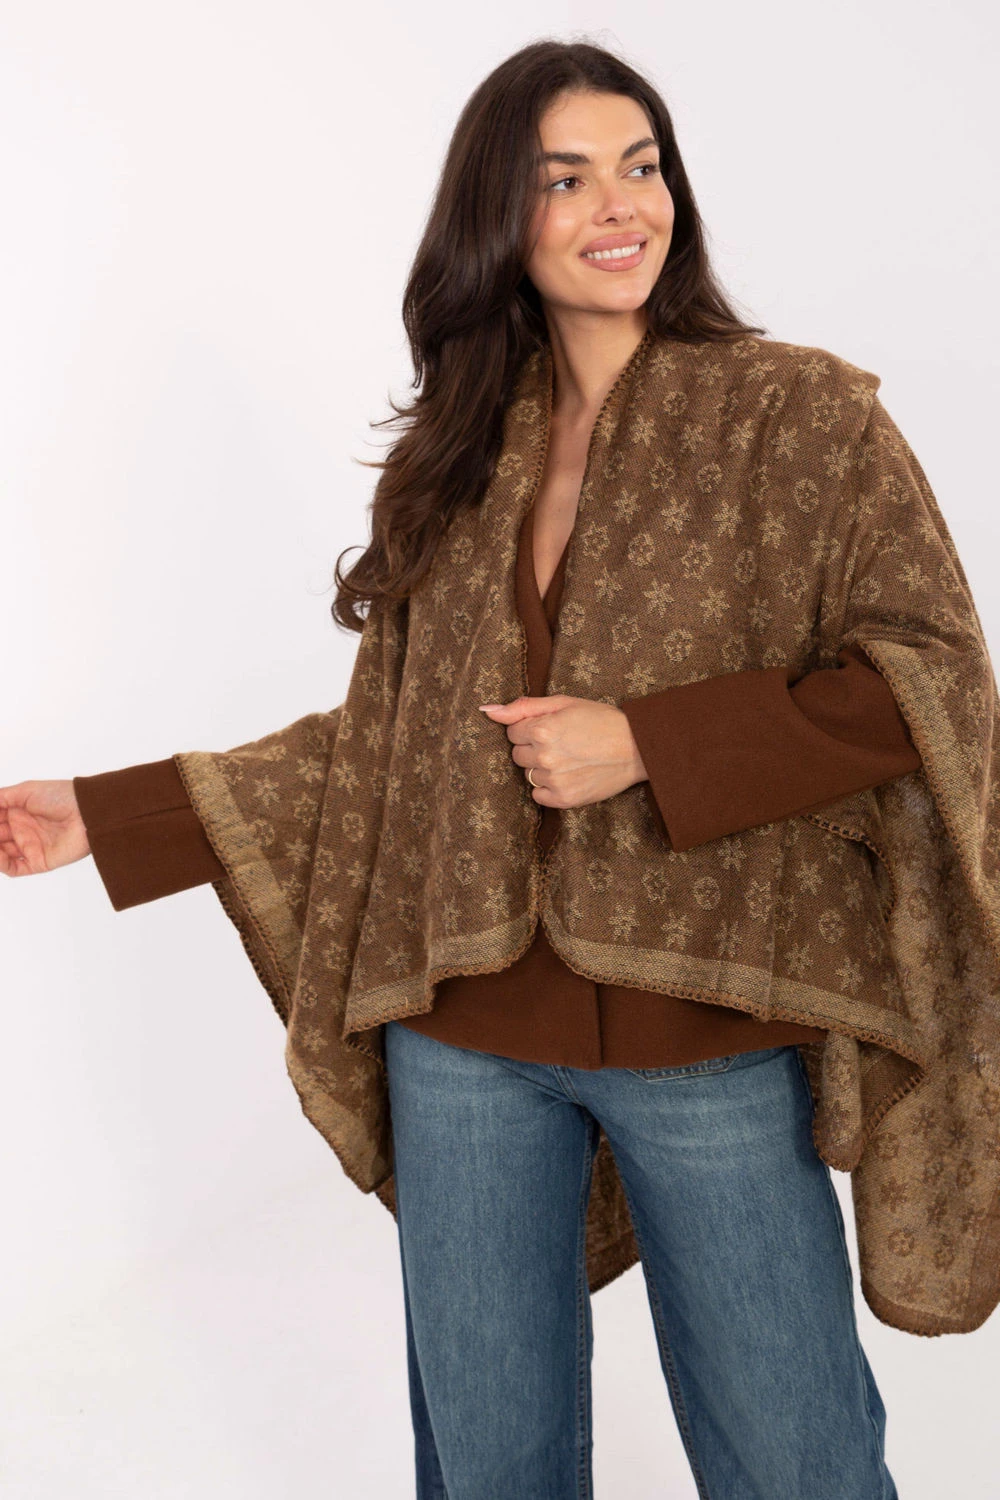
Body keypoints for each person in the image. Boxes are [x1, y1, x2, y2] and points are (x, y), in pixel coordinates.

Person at [6, 37, 963, 1499]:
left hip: (709, 1019)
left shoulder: (798, 416)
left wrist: (647, 741)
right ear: (496, 220)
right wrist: (110, 812)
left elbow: (927, 678)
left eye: (640, 166)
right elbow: (396, 752)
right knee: (487, 1463)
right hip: (459, 1035)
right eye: (564, 178)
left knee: (800, 1459)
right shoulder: (459, 454)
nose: (617, 204)